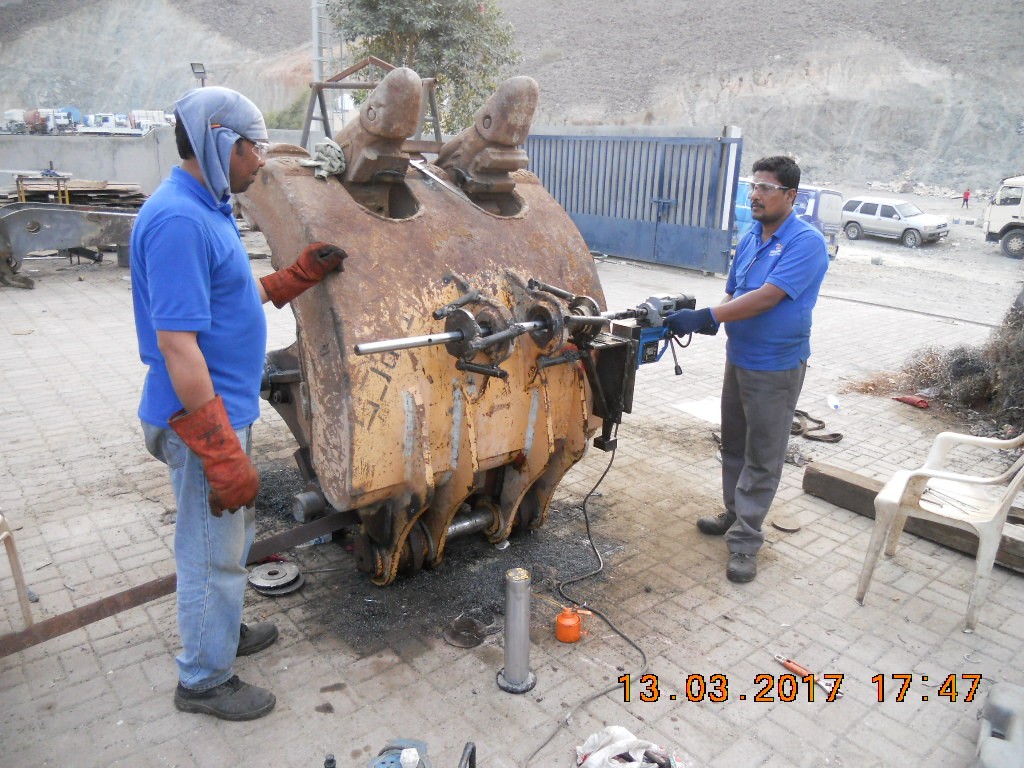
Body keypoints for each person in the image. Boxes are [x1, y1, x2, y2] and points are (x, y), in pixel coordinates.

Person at [130, 86, 347, 720]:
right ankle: (203, 679)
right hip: (199, 422)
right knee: (210, 554)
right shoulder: (177, 221)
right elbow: (177, 345)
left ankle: (220, 631)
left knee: (229, 540)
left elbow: (226, 294)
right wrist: (221, 450)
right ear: (222, 142)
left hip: (222, 413)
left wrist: (291, 279)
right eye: (256, 147)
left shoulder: (207, 207)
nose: (262, 160)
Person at [665, 156, 829, 583]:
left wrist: (708, 316)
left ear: (791, 195)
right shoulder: (752, 236)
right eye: (753, 186)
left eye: (766, 188)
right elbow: (736, 291)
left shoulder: (806, 243)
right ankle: (735, 513)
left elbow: (768, 297)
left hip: (776, 366)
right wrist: (712, 320)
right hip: (739, 358)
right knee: (734, 443)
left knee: (763, 455)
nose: (755, 195)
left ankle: (746, 542)